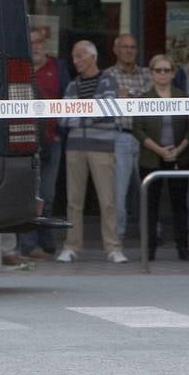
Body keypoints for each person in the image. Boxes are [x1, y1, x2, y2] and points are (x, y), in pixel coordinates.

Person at [56, 41, 128, 264]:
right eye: (74, 57)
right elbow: (64, 119)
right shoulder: (72, 85)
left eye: (80, 56)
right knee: (73, 200)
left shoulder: (108, 80)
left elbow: (108, 111)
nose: (75, 61)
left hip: (102, 147)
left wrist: (82, 114)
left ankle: (113, 247)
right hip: (75, 147)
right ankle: (71, 246)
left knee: (107, 199)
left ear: (92, 57)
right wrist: (91, 113)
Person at [133, 55, 189, 261]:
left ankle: (183, 248)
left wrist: (179, 149)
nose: (162, 74)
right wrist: (159, 150)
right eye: (158, 70)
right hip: (151, 158)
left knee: (180, 205)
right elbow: (138, 130)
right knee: (150, 206)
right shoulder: (143, 99)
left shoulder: (182, 97)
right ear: (151, 73)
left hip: (179, 155)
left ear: (173, 73)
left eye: (166, 70)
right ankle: (149, 250)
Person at [18, 28, 69, 260]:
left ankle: (46, 241)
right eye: (31, 42)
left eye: (39, 42)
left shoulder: (57, 68)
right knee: (29, 195)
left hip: (52, 140)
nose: (36, 46)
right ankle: (29, 246)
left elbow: (69, 100)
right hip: (26, 141)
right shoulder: (20, 69)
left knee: (47, 194)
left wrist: (61, 131)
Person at [105, 33, 147, 242]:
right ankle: (118, 235)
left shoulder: (148, 74)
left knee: (147, 189)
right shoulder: (107, 76)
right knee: (118, 192)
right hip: (119, 136)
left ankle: (148, 234)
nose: (129, 51)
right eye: (125, 47)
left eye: (133, 47)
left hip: (146, 138)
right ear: (116, 50)